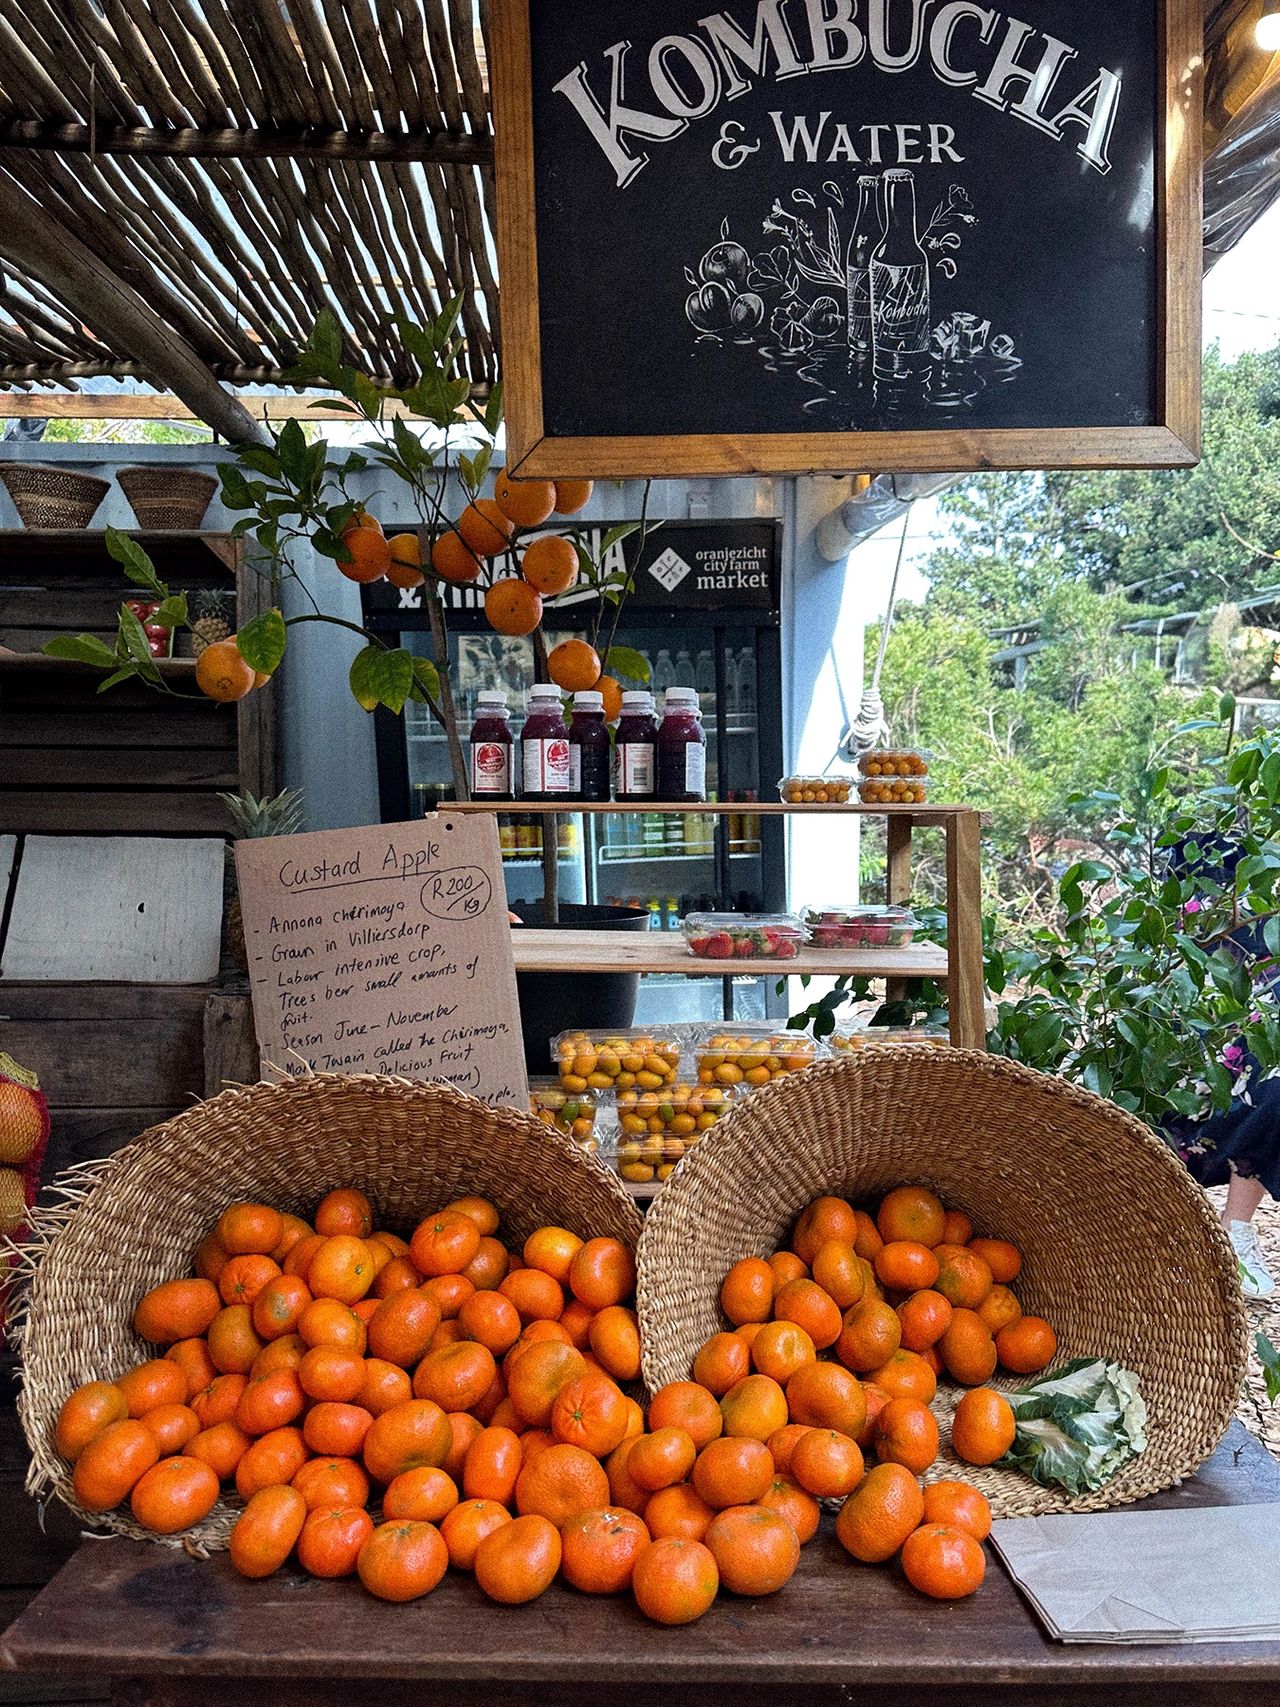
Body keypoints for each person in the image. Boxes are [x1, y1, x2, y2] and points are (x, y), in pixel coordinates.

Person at [1163, 831, 1279, 1299]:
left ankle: (1234, 1231)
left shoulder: (1265, 936)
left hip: (1242, 1086)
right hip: (1188, 1088)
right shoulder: (1172, 946)